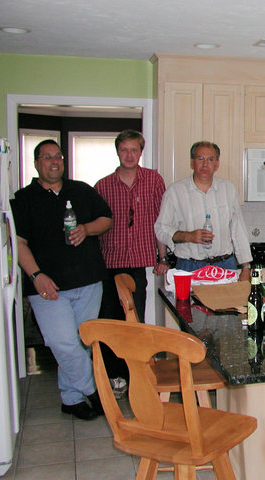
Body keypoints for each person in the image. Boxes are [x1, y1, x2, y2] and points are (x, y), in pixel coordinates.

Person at [11, 139, 112, 420]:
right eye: (46, 157)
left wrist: (86, 229)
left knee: (81, 344)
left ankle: (71, 399)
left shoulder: (80, 189)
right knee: (62, 343)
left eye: (58, 156)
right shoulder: (22, 199)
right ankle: (95, 392)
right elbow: (19, 243)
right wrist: (36, 275)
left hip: (89, 281)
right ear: (36, 163)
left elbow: (107, 218)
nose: (53, 162)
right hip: (47, 287)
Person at [94, 130, 168, 395]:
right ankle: (113, 376)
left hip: (138, 263)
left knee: (134, 322)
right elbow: (96, 226)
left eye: (134, 150)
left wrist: (163, 257)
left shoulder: (153, 180)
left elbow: (160, 222)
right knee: (110, 321)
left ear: (141, 151)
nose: (129, 155)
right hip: (109, 262)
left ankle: (134, 374)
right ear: (117, 152)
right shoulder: (102, 186)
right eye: (124, 150)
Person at [155, 141, 252, 281]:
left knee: (229, 304)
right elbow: (161, 229)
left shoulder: (228, 189)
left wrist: (245, 267)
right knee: (192, 304)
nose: (205, 164)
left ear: (217, 164)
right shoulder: (175, 192)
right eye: (200, 159)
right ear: (192, 162)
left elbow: (238, 230)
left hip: (225, 266)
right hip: (189, 267)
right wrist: (189, 237)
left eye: (210, 159)